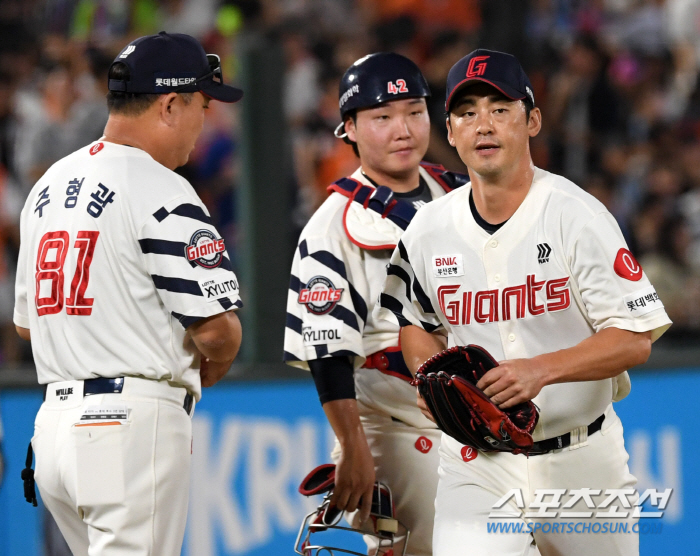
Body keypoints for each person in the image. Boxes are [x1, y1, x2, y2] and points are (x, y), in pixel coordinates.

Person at [377, 49, 672, 556]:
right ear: (450, 132)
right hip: (478, 465)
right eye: (467, 113)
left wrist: (541, 370)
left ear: (532, 120)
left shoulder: (576, 215)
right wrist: (430, 375)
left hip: (580, 458)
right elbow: (413, 322)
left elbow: (634, 338)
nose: (482, 125)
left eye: (499, 108)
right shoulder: (427, 229)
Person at [13, 32, 243, 556]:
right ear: (169, 104)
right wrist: (209, 364)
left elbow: (27, 325)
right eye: (201, 106)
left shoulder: (49, 185)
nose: (203, 123)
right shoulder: (161, 186)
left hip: (52, 432)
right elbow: (216, 329)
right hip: (126, 427)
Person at [283, 52, 468, 556]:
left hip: (471, 418)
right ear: (350, 128)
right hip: (395, 427)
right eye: (382, 116)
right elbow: (327, 353)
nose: (402, 129)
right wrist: (354, 448)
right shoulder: (332, 225)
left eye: (413, 111)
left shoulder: (460, 193)